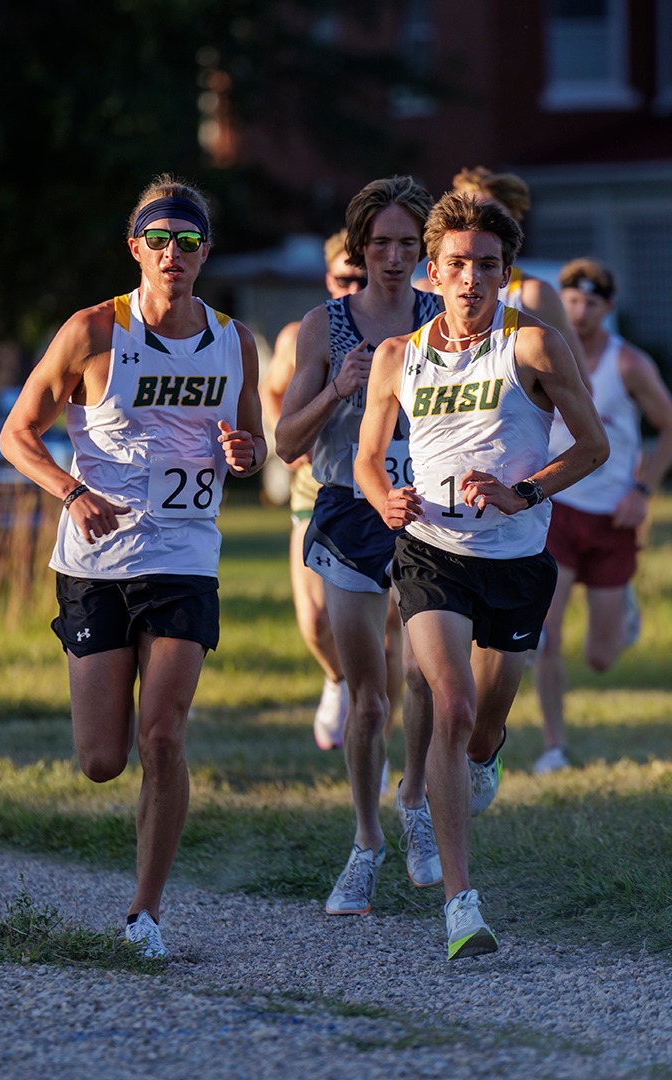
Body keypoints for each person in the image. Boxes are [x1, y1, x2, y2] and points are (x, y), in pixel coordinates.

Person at [0, 176, 264, 960]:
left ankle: (144, 914)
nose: (172, 253)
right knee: (102, 759)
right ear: (135, 247)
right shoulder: (91, 333)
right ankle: (138, 885)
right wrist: (71, 490)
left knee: (164, 733)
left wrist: (242, 455)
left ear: (205, 252)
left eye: (188, 241)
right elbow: (17, 434)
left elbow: (247, 444)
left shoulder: (233, 341)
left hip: (185, 554)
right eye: (158, 238)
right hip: (96, 562)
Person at [356, 190, 606, 958]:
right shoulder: (398, 357)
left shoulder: (533, 346)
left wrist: (523, 492)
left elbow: (592, 446)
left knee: (486, 721)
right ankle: (462, 901)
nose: (472, 280)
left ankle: (483, 758)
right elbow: (369, 455)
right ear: (431, 273)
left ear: (506, 273)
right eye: (458, 265)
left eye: (488, 266)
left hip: (517, 558)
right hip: (431, 552)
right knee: (451, 702)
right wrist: (385, 499)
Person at [275, 177, 446, 915]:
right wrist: (337, 389)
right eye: (381, 244)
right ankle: (366, 840)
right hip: (348, 508)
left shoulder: (445, 319)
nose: (395, 258)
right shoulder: (325, 325)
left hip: (428, 512)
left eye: (409, 245)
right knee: (368, 700)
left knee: (426, 677)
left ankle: (414, 800)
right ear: (359, 247)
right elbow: (284, 442)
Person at [532, 258, 672, 774]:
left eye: (590, 303)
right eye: (571, 300)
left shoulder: (628, 365)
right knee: (544, 633)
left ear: (608, 309)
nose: (578, 311)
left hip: (613, 516)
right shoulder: (541, 352)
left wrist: (642, 490)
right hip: (559, 507)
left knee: (601, 657)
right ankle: (554, 745)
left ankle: (623, 610)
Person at [262, 233, 365, 750]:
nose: (354, 287)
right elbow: (274, 390)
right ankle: (335, 679)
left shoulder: (405, 327)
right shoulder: (304, 333)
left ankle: (379, 745)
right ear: (329, 280)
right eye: (345, 279)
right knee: (315, 617)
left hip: (382, 488)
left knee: (387, 632)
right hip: (314, 485)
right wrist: (294, 429)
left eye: (363, 279)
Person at [414, 167, 582, 352]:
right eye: (465, 216)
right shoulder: (424, 291)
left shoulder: (533, 294)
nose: (474, 228)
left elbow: (576, 374)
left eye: (489, 220)